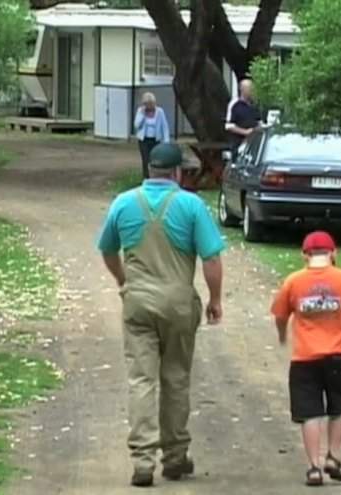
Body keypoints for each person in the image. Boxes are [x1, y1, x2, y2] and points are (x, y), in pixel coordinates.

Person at [98, 143, 224, 488]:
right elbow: (212, 259)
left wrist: (124, 280)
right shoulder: (191, 205)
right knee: (176, 378)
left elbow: (107, 249)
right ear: (177, 173)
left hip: (138, 302)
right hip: (179, 301)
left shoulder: (124, 203)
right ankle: (174, 456)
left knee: (142, 380)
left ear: (149, 169)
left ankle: (142, 460)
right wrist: (215, 300)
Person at [270, 231, 341, 487]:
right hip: (337, 356)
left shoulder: (294, 282)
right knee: (339, 406)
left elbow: (280, 314)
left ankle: (314, 467)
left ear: (304, 255)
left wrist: (283, 335)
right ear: (334, 253)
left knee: (310, 413)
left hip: (304, 358)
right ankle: (334, 457)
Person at [134, 93, 171, 180]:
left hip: (155, 140)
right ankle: (146, 178)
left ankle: (155, 177)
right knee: (146, 160)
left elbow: (164, 126)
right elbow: (136, 125)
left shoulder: (160, 111)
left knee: (155, 159)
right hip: (144, 140)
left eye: (151, 103)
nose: (150, 106)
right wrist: (142, 115)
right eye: (147, 104)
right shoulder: (140, 111)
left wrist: (166, 141)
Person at [225, 78, 262, 160]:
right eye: (250, 89)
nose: (252, 91)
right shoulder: (234, 104)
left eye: (253, 89)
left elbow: (259, 122)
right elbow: (228, 126)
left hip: (253, 145)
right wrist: (245, 132)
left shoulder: (255, 105)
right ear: (242, 89)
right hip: (239, 143)